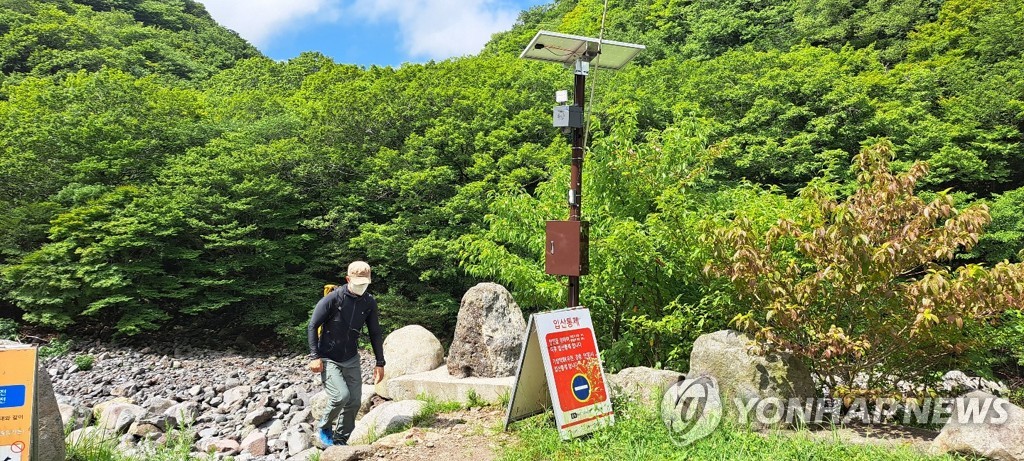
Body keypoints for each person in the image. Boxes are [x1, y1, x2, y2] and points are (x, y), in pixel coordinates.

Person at [307, 260, 386, 447]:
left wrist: (380, 362)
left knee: (354, 402)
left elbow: (375, 332)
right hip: (329, 356)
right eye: (358, 284)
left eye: (365, 284)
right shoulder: (333, 299)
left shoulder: (369, 302)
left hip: (351, 357)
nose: (361, 288)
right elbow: (312, 325)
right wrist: (314, 356)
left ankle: (340, 441)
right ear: (348, 279)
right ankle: (324, 426)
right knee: (341, 396)